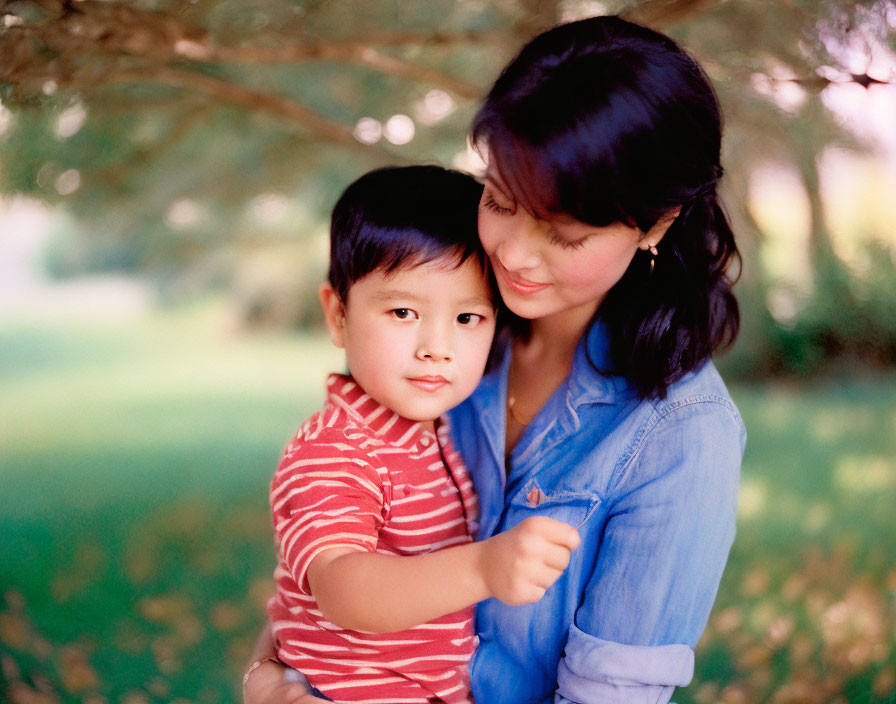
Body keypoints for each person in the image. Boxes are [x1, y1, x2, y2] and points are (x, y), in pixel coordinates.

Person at [245, 15, 745, 704]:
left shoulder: (681, 433)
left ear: (657, 223)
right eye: (500, 199)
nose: (511, 251)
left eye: (563, 235)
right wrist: (271, 681)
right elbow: (325, 577)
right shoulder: (457, 338)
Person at [260, 165, 581, 704]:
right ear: (338, 315)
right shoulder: (335, 448)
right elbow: (343, 589)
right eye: (404, 311)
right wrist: (483, 567)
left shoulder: (434, 432)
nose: (437, 346)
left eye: (467, 318)